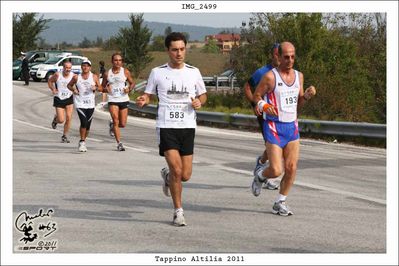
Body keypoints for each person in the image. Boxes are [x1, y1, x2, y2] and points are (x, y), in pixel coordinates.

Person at [136, 32, 207, 226]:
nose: (179, 53)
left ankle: (167, 177)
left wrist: (199, 103)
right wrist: (144, 99)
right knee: (177, 169)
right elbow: (148, 94)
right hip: (166, 126)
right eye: (174, 50)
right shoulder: (158, 72)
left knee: (185, 175)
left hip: (187, 126)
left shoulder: (194, 72)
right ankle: (178, 211)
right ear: (168, 50)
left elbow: (203, 95)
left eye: (182, 49)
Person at [251, 41, 316, 216]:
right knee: (276, 170)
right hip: (273, 127)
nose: (290, 60)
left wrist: (307, 96)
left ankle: (280, 202)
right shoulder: (270, 77)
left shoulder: (299, 76)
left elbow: (298, 104)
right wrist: (264, 106)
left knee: (292, 167)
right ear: (278, 57)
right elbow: (256, 96)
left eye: (293, 56)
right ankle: (260, 176)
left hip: (291, 127)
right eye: (286, 57)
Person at [244, 43, 280, 190]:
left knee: (278, 145)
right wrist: (254, 105)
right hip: (265, 116)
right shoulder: (263, 72)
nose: (279, 57)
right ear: (273, 55)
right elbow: (247, 86)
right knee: (273, 144)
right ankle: (267, 177)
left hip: (281, 117)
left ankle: (261, 162)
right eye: (277, 54)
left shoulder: (286, 73)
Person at [101, 53, 135, 151]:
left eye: (120, 60)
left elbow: (132, 83)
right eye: (116, 60)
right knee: (116, 120)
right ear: (112, 62)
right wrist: (106, 89)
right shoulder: (107, 74)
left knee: (122, 124)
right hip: (113, 99)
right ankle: (119, 143)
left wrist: (129, 89)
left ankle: (112, 125)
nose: (118, 62)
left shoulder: (125, 72)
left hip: (123, 99)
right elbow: (102, 87)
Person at [67, 59, 102, 152]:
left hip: (90, 104)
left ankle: (83, 141)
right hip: (80, 103)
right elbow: (69, 85)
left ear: (90, 67)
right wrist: (73, 90)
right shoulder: (76, 77)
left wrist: (96, 87)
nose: (85, 67)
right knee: (84, 122)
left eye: (87, 66)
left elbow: (101, 88)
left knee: (88, 126)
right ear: (81, 67)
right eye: (83, 65)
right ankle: (82, 142)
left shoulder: (94, 77)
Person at [47, 60, 75, 143]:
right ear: (63, 67)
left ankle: (65, 135)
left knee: (69, 118)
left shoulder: (73, 76)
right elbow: (50, 81)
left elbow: (78, 84)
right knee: (61, 120)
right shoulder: (57, 75)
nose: (68, 69)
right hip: (59, 98)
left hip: (69, 97)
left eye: (69, 68)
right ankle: (56, 120)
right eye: (66, 67)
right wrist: (53, 89)